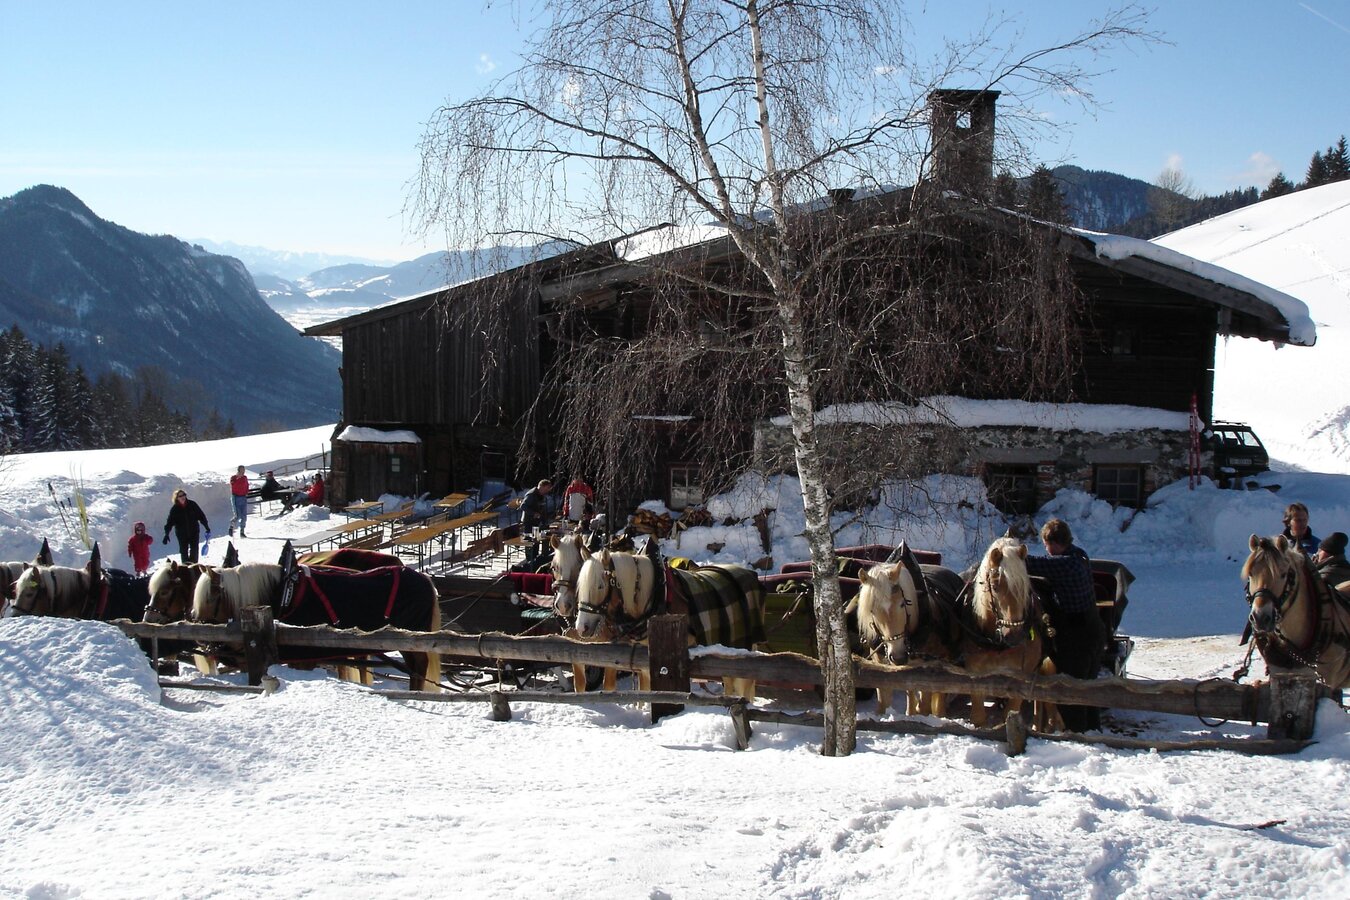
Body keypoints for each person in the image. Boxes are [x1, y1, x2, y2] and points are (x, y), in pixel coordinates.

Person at [1023, 518, 1107, 732]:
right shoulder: (1079, 555)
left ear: (1053, 543)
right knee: (1088, 687)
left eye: (1046, 545)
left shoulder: (1065, 564)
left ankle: (1077, 735)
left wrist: (1011, 552)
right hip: (1094, 629)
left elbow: (1032, 563)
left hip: (1077, 636)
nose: (1046, 550)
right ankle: (1092, 731)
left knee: (1070, 690)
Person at [163, 489, 210, 564]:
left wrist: (206, 526)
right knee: (183, 551)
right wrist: (166, 534)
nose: (183, 497)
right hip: (181, 534)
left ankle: (194, 567)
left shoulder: (192, 504)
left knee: (194, 550)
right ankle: (185, 568)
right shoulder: (175, 509)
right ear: (176, 498)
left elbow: (201, 516)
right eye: (180, 496)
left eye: (184, 495)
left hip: (194, 532)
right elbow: (169, 522)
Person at [229, 465, 250, 538]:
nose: (243, 471)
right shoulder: (233, 478)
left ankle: (242, 532)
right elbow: (233, 485)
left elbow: (247, 485)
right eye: (242, 470)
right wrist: (238, 478)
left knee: (244, 516)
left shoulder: (245, 478)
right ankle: (231, 526)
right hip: (236, 498)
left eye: (244, 470)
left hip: (243, 497)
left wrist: (246, 492)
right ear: (238, 470)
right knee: (237, 516)